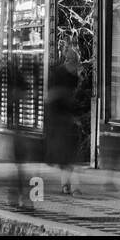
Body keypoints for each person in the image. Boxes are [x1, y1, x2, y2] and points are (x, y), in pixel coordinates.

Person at [45, 47, 82, 195]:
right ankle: (72, 186)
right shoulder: (59, 75)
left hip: (65, 121)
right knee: (68, 156)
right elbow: (54, 97)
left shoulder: (73, 77)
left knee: (68, 156)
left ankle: (67, 185)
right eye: (74, 62)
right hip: (60, 121)